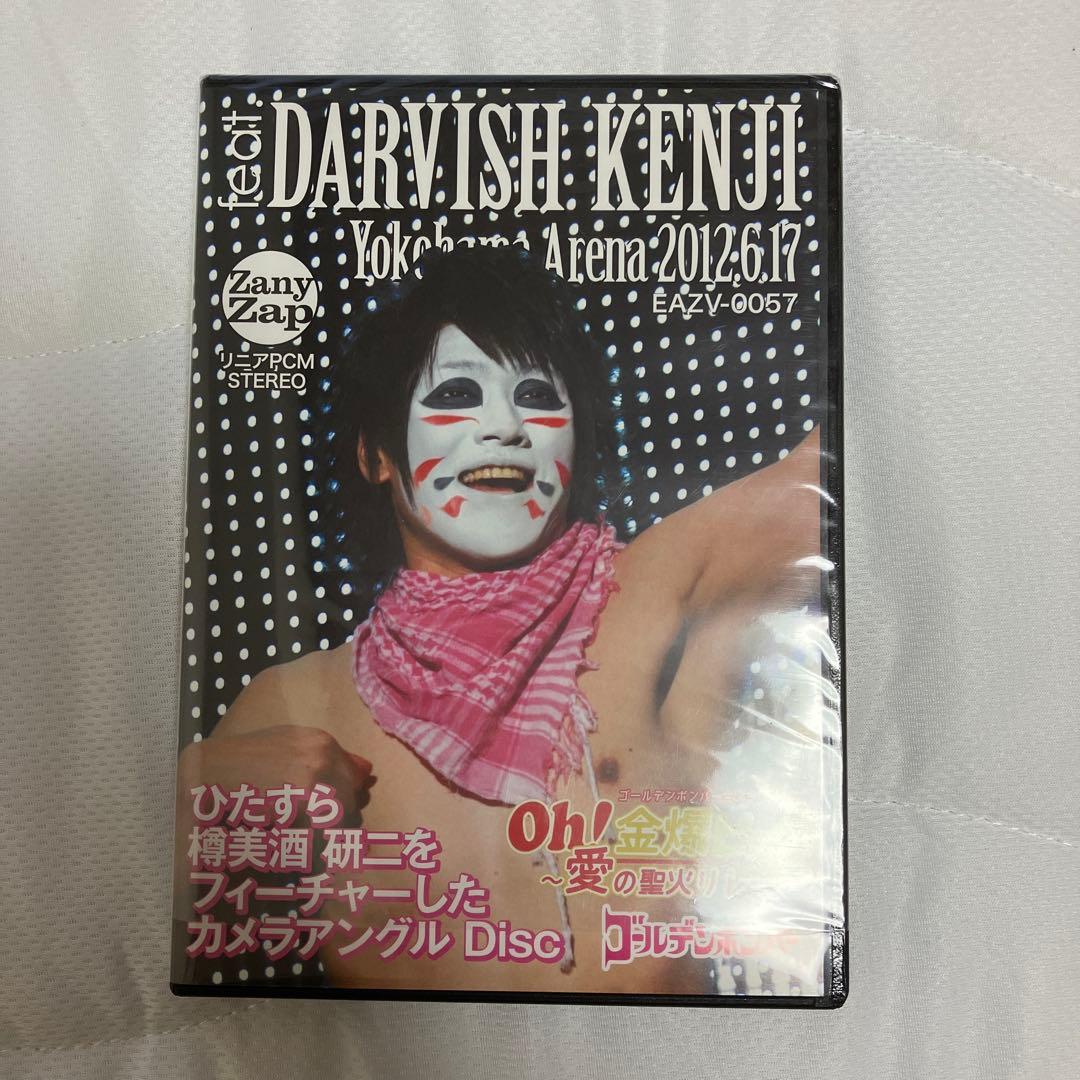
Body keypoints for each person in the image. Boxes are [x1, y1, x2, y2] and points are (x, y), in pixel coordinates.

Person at [175, 245, 824, 994]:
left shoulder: (653, 591)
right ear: (376, 454)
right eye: (458, 392)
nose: (507, 427)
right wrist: (193, 791)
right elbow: (141, 933)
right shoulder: (298, 704)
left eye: (537, 396)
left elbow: (824, 474)